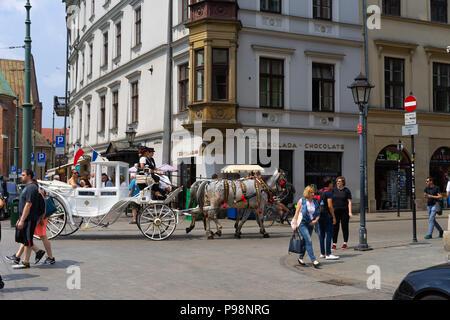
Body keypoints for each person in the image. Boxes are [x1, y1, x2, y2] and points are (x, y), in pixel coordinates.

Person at [7, 179, 55, 266]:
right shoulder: (35, 190)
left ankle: (49, 257)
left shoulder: (37, 191)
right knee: (27, 236)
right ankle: (18, 256)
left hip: (39, 218)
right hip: (37, 217)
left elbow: (43, 203)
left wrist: (42, 217)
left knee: (41, 236)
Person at [5, 170, 42, 269]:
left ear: (29, 176)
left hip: (29, 218)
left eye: (23, 175)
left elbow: (28, 205)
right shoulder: (28, 187)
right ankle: (35, 254)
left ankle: (26, 262)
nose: (21, 177)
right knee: (26, 239)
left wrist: (22, 220)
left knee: (27, 240)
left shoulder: (31, 188)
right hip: (26, 218)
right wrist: (20, 219)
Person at [292, 186, 321, 268]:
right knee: (308, 240)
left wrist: (315, 221)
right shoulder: (302, 201)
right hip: (302, 223)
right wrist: (295, 224)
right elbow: (297, 213)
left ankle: (300, 258)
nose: (313, 194)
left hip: (311, 223)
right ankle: (314, 260)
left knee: (305, 241)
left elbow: (318, 213)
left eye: (313, 192)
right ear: (307, 193)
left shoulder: (315, 201)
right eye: (311, 192)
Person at [317, 179, 339, 260]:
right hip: (327, 215)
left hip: (319, 215)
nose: (332, 184)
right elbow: (330, 205)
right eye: (332, 183)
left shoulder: (319, 191)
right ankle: (328, 254)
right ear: (329, 184)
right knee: (329, 234)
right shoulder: (328, 192)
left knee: (321, 235)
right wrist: (333, 216)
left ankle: (322, 253)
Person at [331, 176, 352, 250]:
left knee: (345, 227)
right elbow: (330, 201)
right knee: (335, 228)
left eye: (339, 181)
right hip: (335, 212)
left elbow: (349, 202)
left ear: (343, 182)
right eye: (337, 181)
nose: (338, 182)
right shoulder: (333, 190)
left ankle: (345, 243)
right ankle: (334, 244)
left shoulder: (347, 191)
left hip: (344, 212)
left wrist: (350, 212)